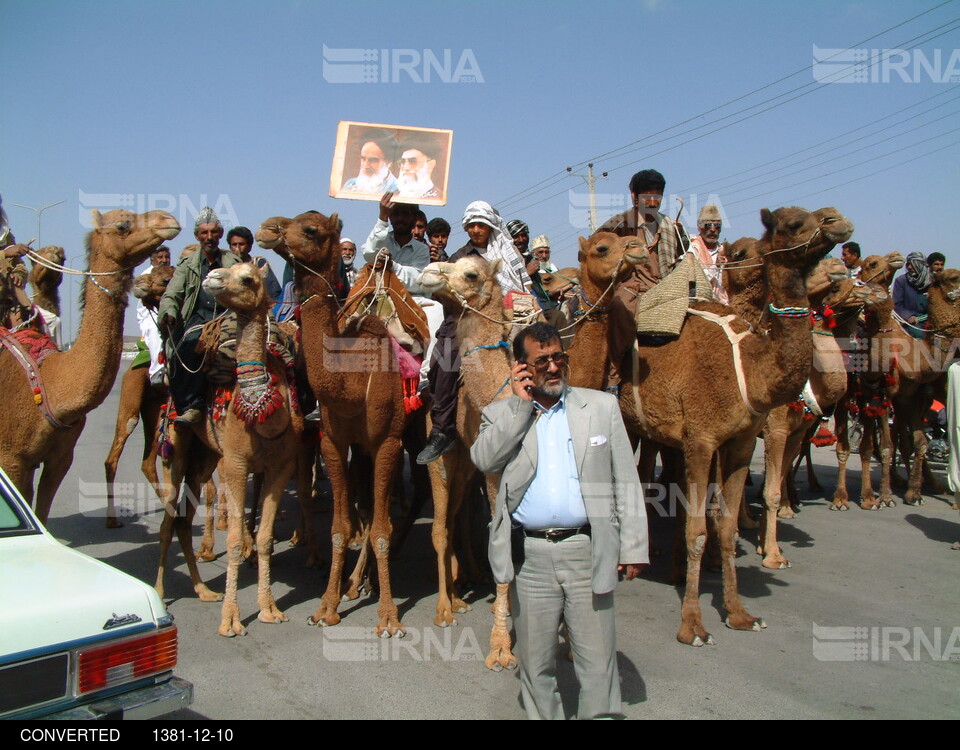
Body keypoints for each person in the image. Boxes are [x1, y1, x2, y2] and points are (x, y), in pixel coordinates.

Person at [470, 322, 648, 720]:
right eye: (541, 361)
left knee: (598, 663)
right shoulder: (500, 413)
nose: (552, 368)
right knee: (536, 666)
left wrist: (634, 545)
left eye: (558, 358)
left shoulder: (599, 407)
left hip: (587, 551)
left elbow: (626, 479)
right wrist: (520, 406)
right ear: (521, 368)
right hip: (530, 560)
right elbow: (485, 460)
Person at [417, 201, 532, 464]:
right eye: (471, 225)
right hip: (463, 320)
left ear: (491, 226)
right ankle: (442, 430)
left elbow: (522, 286)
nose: (476, 230)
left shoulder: (507, 254)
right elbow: (443, 291)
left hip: (508, 317)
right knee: (442, 363)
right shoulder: (459, 257)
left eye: (481, 225)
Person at [158, 207, 241, 423]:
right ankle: (191, 405)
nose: (209, 237)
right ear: (197, 236)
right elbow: (172, 295)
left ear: (220, 234)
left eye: (213, 232)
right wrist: (168, 313)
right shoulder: (188, 265)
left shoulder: (233, 263)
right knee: (188, 349)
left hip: (228, 318)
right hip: (197, 319)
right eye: (204, 233)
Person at [597, 169, 689, 309]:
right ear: (635, 197)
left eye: (657, 196)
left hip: (667, 288)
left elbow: (682, 251)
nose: (652, 203)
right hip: (632, 289)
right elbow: (590, 250)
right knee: (622, 313)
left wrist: (680, 235)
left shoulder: (669, 225)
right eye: (647, 197)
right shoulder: (620, 224)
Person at [686, 204, 728, 304]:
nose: (713, 230)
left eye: (717, 226)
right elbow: (694, 281)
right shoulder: (692, 248)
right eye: (708, 225)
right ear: (699, 227)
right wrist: (715, 266)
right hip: (699, 304)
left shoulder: (723, 251)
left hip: (722, 304)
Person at [226, 226, 282, 301]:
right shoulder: (226, 266)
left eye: (241, 244)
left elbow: (274, 291)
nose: (238, 248)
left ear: (250, 246)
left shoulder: (259, 263)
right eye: (234, 244)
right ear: (230, 246)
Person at [341, 129, 400, 195]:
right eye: (363, 159)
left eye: (373, 160)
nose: (365, 166)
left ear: (389, 161)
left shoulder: (398, 190)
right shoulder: (350, 185)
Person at [893, 251, 931, 340]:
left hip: (930, 322)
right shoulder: (901, 281)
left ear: (920, 265)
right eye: (908, 264)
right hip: (911, 324)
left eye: (912, 264)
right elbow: (897, 304)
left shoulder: (931, 282)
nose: (909, 267)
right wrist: (909, 316)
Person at [395, 134, 442, 199]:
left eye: (413, 161)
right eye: (402, 162)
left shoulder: (438, 197)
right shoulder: (393, 196)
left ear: (430, 165)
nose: (406, 167)